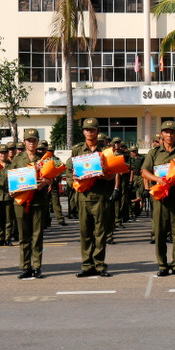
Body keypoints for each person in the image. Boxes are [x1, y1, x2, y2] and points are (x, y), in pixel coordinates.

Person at [141, 121, 175, 276]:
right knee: (160, 232)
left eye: (172, 132)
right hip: (160, 198)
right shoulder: (154, 153)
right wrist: (158, 180)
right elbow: (144, 171)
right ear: (161, 134)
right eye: (166, 132)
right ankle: (162, 264)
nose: (169, 135)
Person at [69, 118, 115, 277]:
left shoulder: (106, 151)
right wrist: (74, 179)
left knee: (100, 232)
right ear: (83, 132)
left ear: (97, 131)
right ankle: (87, 265)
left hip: (100, 195)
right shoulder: (77, 150)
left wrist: (103, 175)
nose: (89, 132)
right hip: (83, 196)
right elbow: (70, 171)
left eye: (92, 129)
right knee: (85, 232)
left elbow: (113, 174)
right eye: (87, 130)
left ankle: (100, 265)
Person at [11, 129, 56, 279]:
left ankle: (37, 266)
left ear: (37, 142)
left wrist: (46, 182)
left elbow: (51, 178)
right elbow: (11, 179)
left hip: (38, 200)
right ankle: (25, 267)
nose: (31, 143)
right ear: (24, 142)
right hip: (21, 201)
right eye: (29, 140)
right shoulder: (17, 159)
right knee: (23, 236)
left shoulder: (44, 159)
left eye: (34, 140)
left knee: (37, 235)